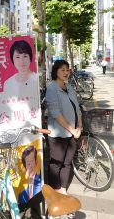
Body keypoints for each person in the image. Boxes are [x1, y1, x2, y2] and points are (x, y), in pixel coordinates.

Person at [45, 60, 83, 195]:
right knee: (57, 163)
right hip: (58, 134)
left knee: (67, 163)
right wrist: (72, 129)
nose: (66, 72)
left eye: (67, 70)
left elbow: (77, 108)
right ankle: (54, 192)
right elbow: (56, 113)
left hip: (73, 133)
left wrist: (79, 126)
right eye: (62, 70)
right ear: (56, 71)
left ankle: (63, 189)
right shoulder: (51, 89)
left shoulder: (70, 87)